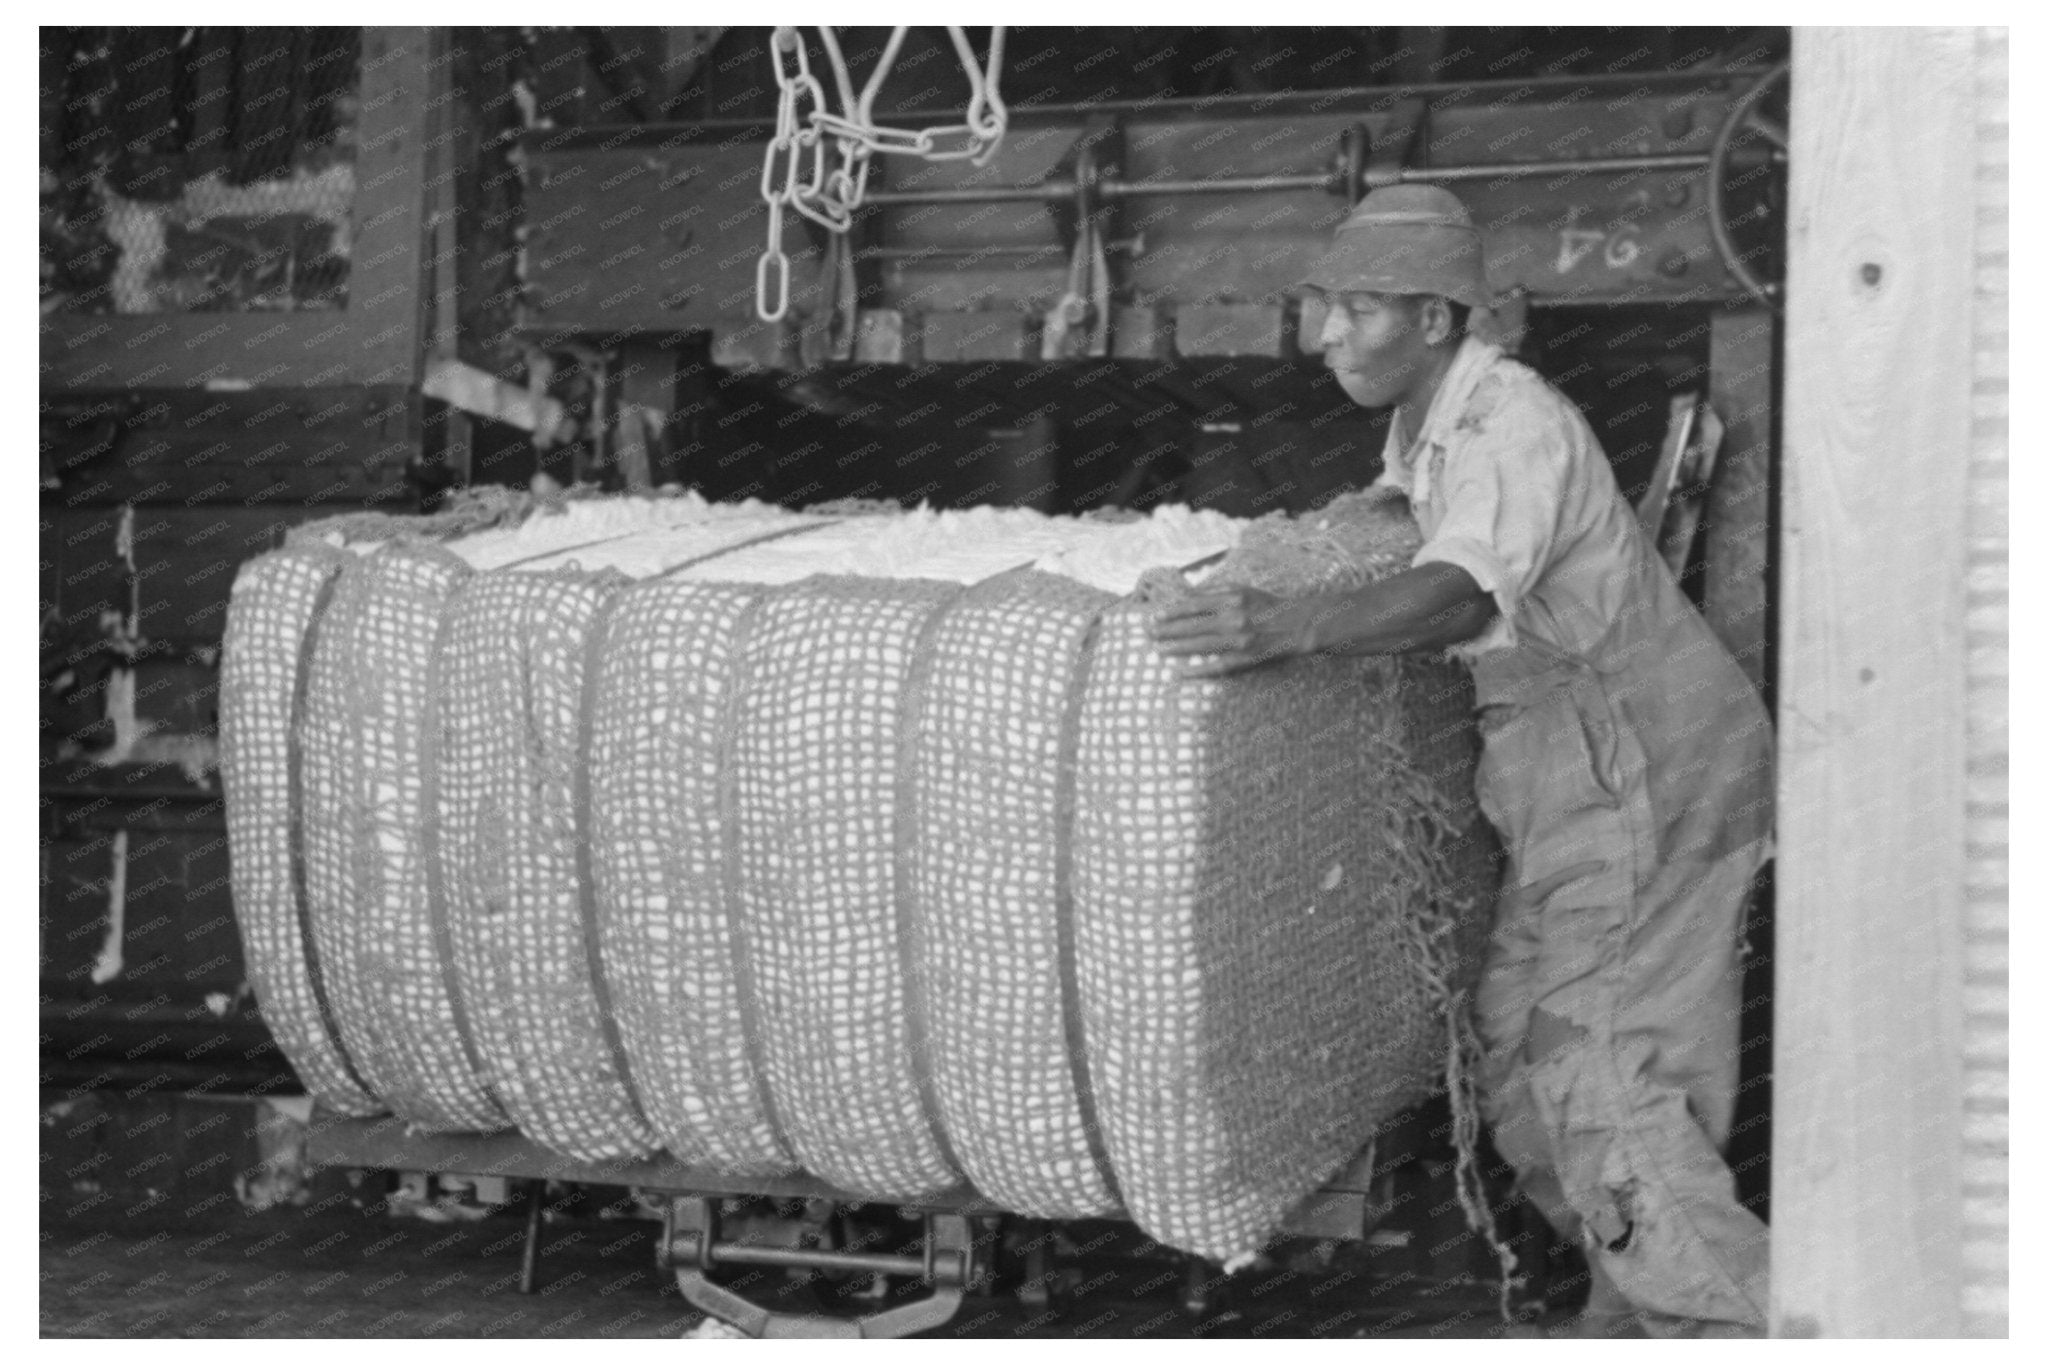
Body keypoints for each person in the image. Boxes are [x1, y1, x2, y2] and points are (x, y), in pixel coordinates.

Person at [1146, 185, 1774, 1338]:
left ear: (1435, 319)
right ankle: (1624, 1308)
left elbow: (1454, 588)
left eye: (1354, 308)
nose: (1324, 334)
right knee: (1515, 1061)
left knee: (1595, 1060)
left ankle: (1736, 1327)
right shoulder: (1430, 419)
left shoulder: (1509, 424)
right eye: (1321, 306)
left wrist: (1278, 629)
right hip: (1557, 770)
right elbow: (1394, 526)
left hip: (1633, 761)